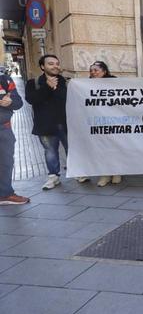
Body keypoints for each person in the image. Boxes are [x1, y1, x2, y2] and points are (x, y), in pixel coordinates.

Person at [25, 55, 69, 191]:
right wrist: (48, 88)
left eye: (57, 63)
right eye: (51, 64)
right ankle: (53, 176)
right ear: (43, 67)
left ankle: (77, 172)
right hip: (45, 125)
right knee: (50, 151)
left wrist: (56, 88)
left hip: (64, 123)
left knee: (72, 149)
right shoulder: (33, 83)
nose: (55, 66)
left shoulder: (64, 82)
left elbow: (66, 99)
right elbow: (32, 99)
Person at [77, 61, 123, 187]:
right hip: (96, 122)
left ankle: (117, 172)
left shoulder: (115, 83)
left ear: (104, 71)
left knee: (114, 147)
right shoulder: (86, 85)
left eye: (96, 70)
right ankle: (105, 174)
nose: (93, 72)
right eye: (91, 70)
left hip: (114, 121)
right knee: (101, 148)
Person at [0, 71, 29, 205]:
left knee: (6, 162)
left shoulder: (4, 79)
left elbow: (18, 102)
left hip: (4, 128)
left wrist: (10, 102)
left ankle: (5, 194)